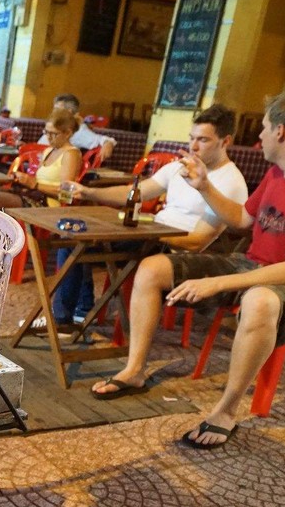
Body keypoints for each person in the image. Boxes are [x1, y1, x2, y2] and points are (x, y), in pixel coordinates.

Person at [89, 91, 285, 449]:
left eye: (262, 128)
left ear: (280, 132)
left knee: (260, 300)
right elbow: (243, 218)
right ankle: (134, 371)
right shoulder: (280, 172)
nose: (258, 137)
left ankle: (226, 411)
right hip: (253, 265)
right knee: (152, 268)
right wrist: (204, 186)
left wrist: (217, 282)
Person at [49, 105, 250, 338]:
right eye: (191, 138)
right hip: (149, 234)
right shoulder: (179, 167)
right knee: (75, 237)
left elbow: (198, 241)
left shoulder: (231, 182)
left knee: (81, 241)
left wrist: (145, 230)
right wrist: (88, 193)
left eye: (203, 140)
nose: (193, 147)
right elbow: (136, 191)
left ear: (226, 142)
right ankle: (76, 314)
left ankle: (65, 321)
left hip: (173, 248)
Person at [0, 108, 83, 211]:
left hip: (48, 205)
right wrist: (24, 179)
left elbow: (66, 195)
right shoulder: (49, 151)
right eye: (46, 132)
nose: (49, 137)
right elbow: (37, 180)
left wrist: (35, 185)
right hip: (34, 195)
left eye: (54, 134)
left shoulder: (71, 154)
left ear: (68, 133)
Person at [39, 93, 115, 163]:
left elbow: (102, 140)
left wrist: (108, 143)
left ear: (69, 111)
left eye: (57, 110)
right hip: (39, 159)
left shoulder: (78, 130)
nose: (54, 112)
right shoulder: (54, 125)